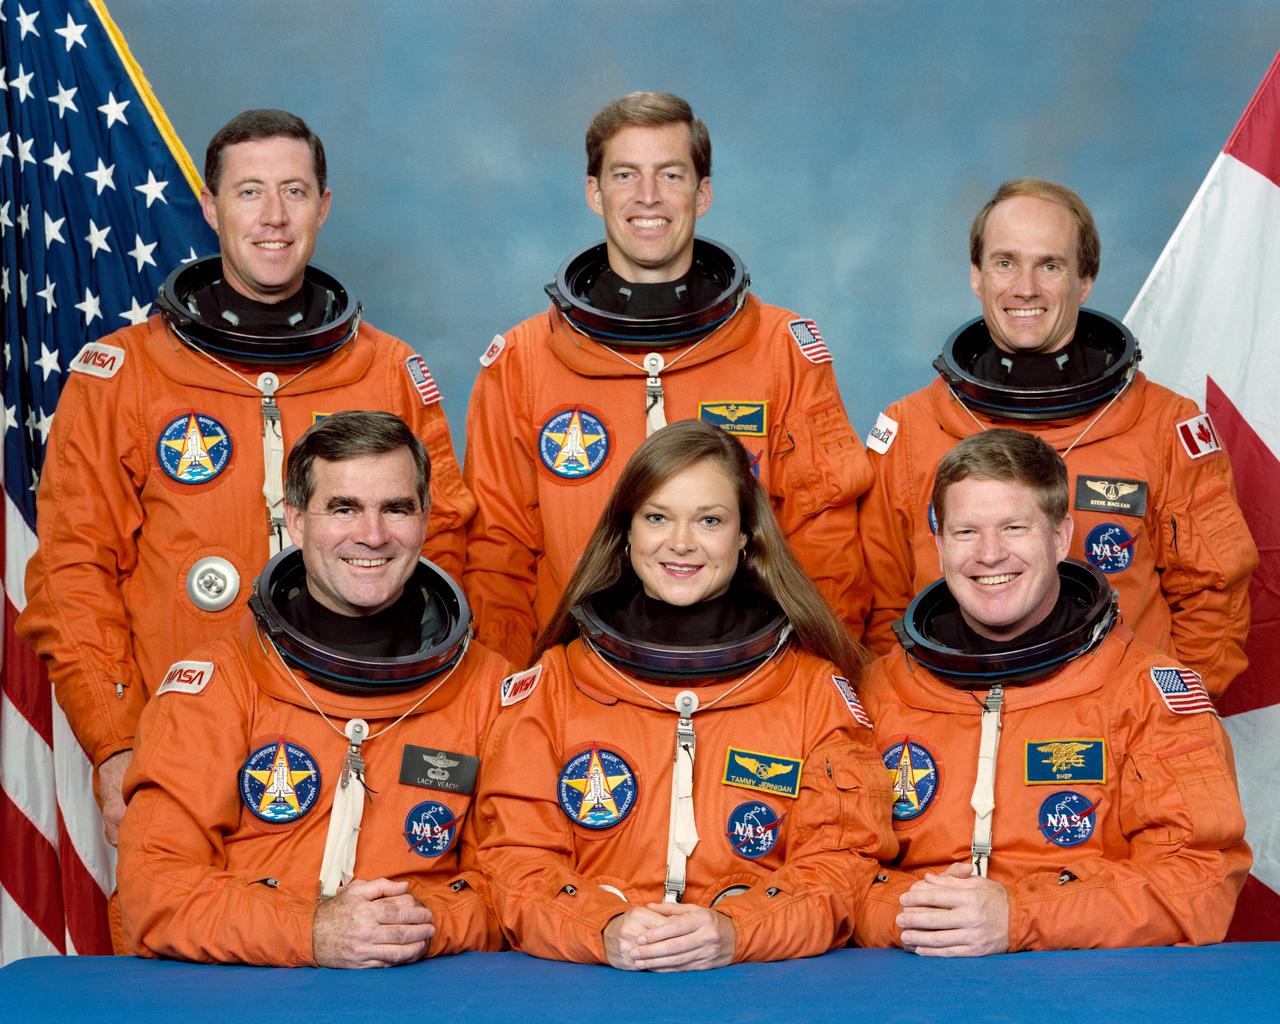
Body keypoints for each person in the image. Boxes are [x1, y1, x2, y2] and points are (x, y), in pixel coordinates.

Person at [18, 109, 474, 844]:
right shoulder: (124, 374)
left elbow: (443, 551)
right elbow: (74, 574)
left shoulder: (390, 370)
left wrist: (431, 717)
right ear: (210, 207)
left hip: (361, 731)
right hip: (181, 737)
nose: (273, 217)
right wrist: (116, 741)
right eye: (249, 191)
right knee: (177, 939)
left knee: (366, 941)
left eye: (294, 192)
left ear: (323, 207)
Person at [464, 92, 872, 667]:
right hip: (579, 685)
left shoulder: (782, 349)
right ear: (594, 192)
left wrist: (804, 680)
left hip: (749, 676)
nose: (648, 197)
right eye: (625, 174)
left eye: (670, 174)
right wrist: (514, 693)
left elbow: (824, 539)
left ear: (702, 193)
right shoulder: (522, 361)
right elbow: (497, 555)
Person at [475, 419, 896, 970]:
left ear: (745, 536)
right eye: (657, 517)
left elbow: (843, 866)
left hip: (755, 994)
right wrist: (602, 927)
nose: (680, 543)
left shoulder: (814, 689)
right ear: (625, 532)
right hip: (594, 990)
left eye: (710, 520)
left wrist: (735, 930)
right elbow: (514, 860)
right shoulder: (555, 683)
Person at [117, 412, 507, 967]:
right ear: (296, 522)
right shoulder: (216, 687)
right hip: (249, 995)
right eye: (343, 508)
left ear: (426, 520)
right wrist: (312, 929)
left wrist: (418, 923)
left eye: (396, 508)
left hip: (421, 995)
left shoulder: (490, 690)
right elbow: (152, 891)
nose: (372, 535)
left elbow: (518, 881)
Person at [856, 429, 1249, 955]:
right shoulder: (879, 690)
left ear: (1061, 537)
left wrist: (1019, 916)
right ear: (939, 545)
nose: (989, 554)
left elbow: (1198, 882)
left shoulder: (1146, 692)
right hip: (908, 985)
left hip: (1082, 991)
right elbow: (825, 871)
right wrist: (922, 915)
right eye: (966, 531)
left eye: (1014, 527)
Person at [859, 178, 1256, 696]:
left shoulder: (1163, 426)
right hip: (946, 727)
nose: (1025, 287)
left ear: (1085, 280)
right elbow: (876, 614)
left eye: (1050, 265)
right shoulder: (910, 430)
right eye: (1004, 263)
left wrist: (1154, 723)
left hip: (1116, 734)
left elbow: (1215, 600)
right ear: (976, 276)